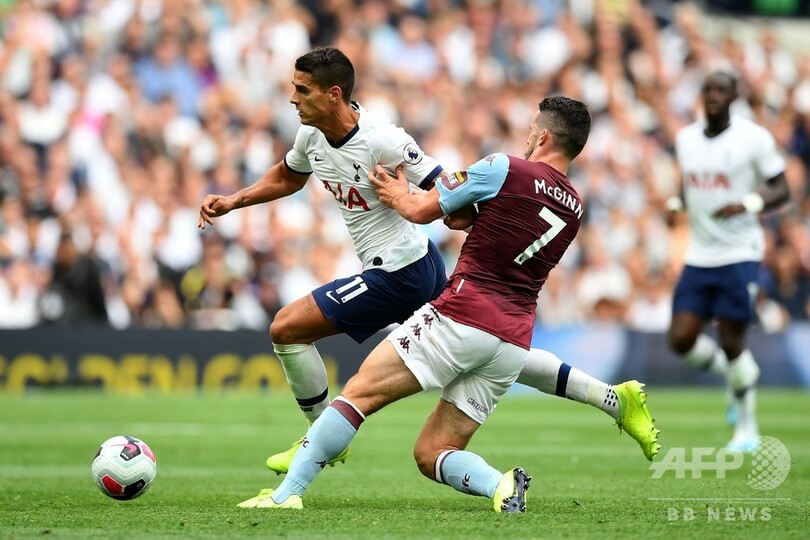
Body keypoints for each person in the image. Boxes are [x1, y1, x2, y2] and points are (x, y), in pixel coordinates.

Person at [200, 48, 659, 479]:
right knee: (494, 348)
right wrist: (235, 200)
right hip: (418, 272)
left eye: (302, 89)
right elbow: (288, 175)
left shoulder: (384, 140)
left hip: (401, 270)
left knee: (287, 328)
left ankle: (317, 441)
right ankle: (610, 398)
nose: (292, 97)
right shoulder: (310, 135)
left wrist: (436, 207)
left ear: (332, 93)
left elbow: (445, 190)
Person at [666, 71, 790, 452]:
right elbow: (689, 183)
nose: (714, 95)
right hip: (700, 254)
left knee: (732, 339)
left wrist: (748, 203)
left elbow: (782, 188)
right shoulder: (686, 139)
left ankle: (747, 428)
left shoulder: (753, 138)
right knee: (680, 338)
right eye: (708, 88)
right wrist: (677, 203)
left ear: (735, 96)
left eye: (722, 89)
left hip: (740, 253)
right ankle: (737, 375)